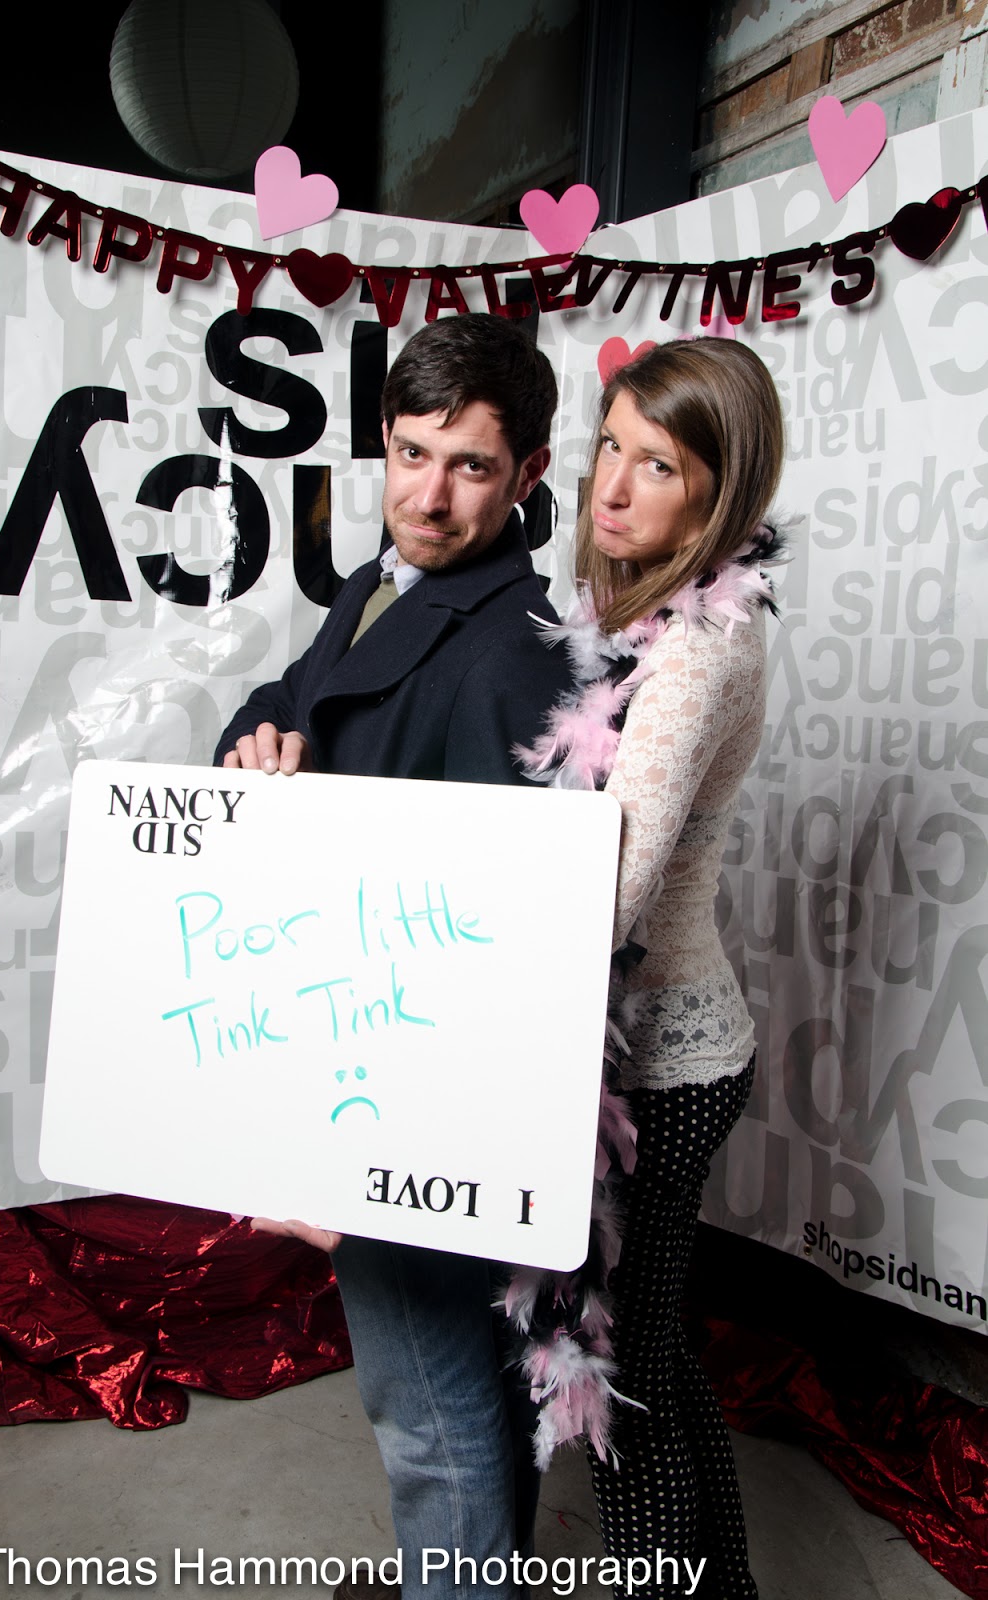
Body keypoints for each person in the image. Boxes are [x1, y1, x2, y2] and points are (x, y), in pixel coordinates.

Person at [214, 313, 574, 1599]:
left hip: (409, 1087)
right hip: (351, 1053)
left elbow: (494, 937)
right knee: (456, 1384)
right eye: (412, 454)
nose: (429, 495)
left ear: (529, 473)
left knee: (427, 1406)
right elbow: (294, 700)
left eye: (470, 467)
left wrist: (372, 1150)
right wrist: (260, 742)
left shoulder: (511, 652)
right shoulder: (384, 580)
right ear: (383, 440)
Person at [519, 337, 785, 1600]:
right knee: (658, 1363)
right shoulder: (650, 618)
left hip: (660, 1065)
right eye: (610, 448)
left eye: (659, 465)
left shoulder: (693, 650)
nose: (613, 487)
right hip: (663, 1048)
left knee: (624, 1382)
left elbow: (611, 885)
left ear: (720, 495)